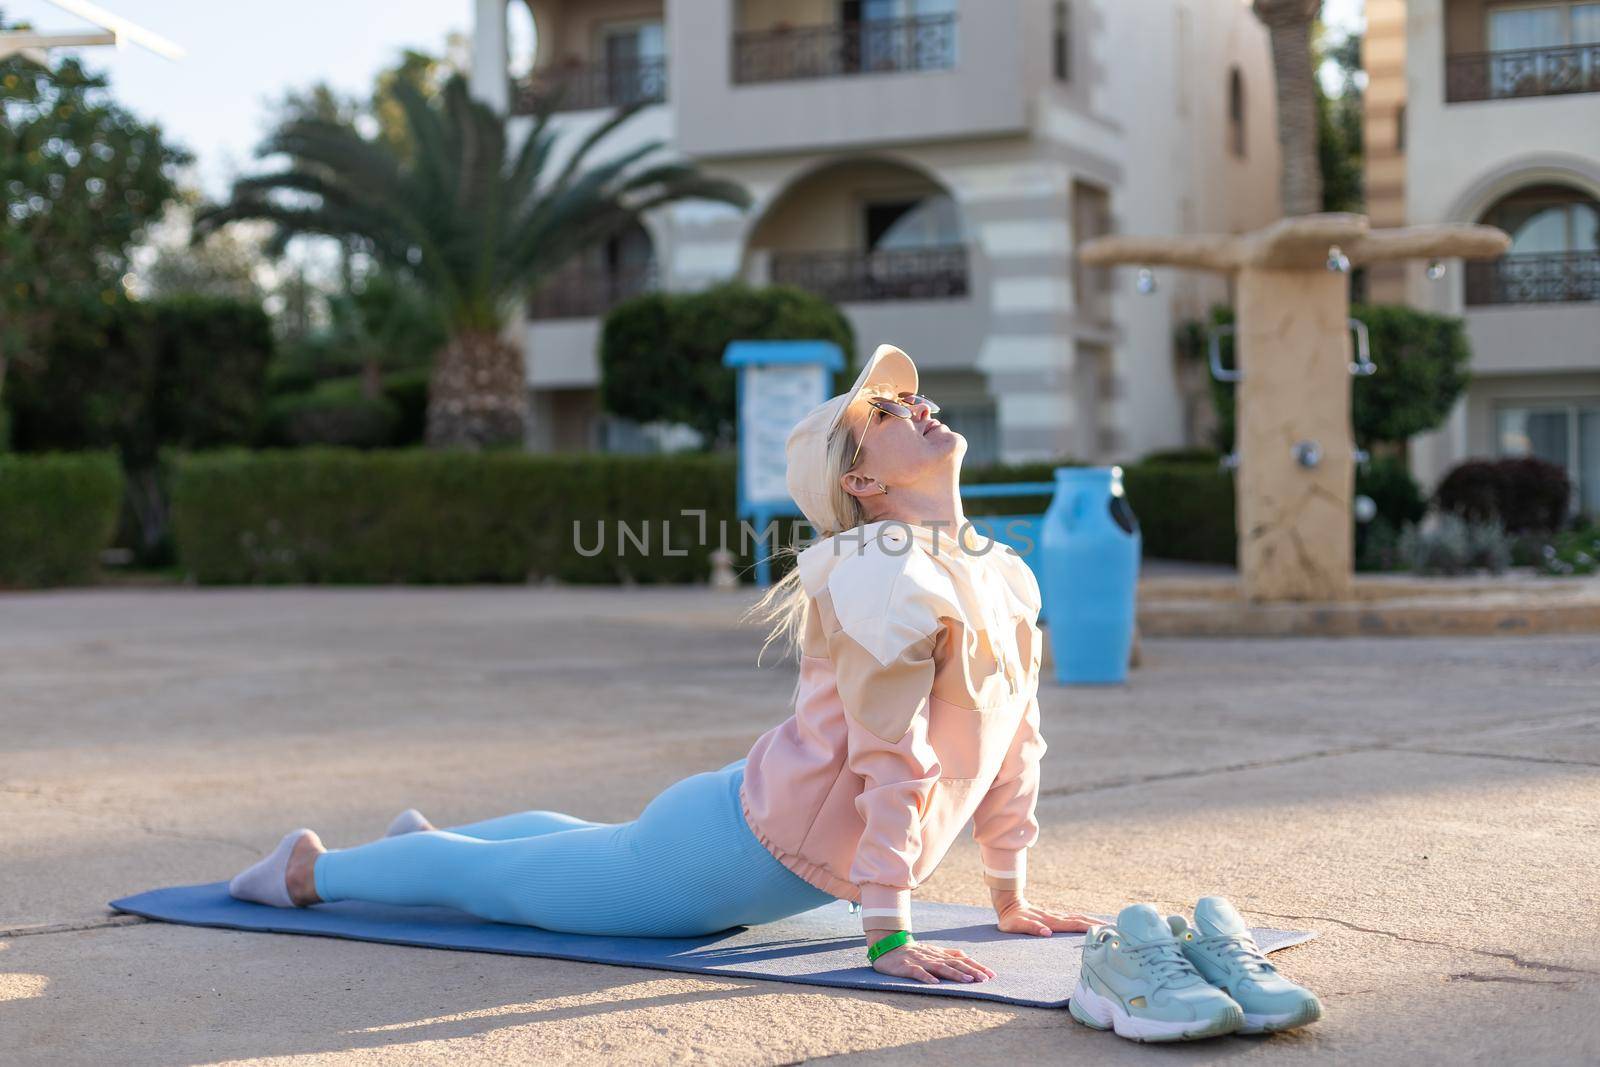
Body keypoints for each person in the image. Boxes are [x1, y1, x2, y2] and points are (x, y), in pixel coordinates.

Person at [227, 343, 1096, 984]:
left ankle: (417, 846)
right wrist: (887, 933)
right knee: (496, 881)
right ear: (862, 484)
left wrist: (1009, 895)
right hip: (722, 857)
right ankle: (308, 868)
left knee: (573, 852)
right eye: (886, 413)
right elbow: (890, 752)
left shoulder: (999, 569)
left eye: (907, 399)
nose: (918, 406)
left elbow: (1015, 738)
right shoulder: (884, 570)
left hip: (743, 830)